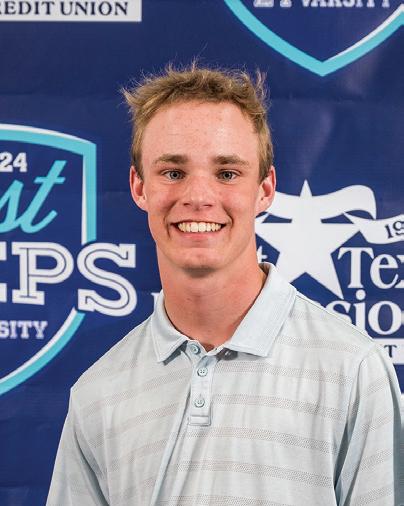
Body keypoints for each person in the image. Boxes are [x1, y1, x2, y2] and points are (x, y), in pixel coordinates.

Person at [47, 63, 402, 506]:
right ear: (139, 187)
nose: (198, 196)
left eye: (227, 173)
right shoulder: (98, 393)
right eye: (173, 172)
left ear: (265, 189)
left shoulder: (352, 369)